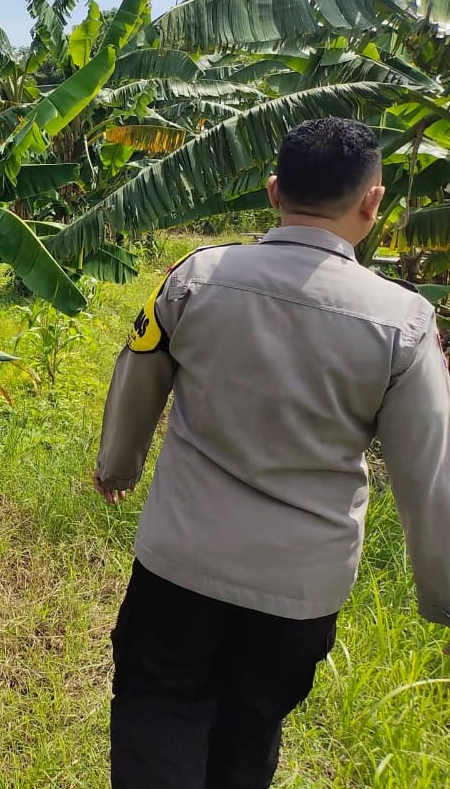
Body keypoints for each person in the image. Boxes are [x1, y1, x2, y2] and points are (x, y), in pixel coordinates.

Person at [94, 117, 450, 789]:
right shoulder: (403, 323)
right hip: (299, 593)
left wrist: (117, 465)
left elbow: (138, 371)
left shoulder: (197, 277)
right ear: (372, 202)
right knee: (250, 730)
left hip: (181, 565)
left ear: (273, 191)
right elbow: (430, 474)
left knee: (158, 713)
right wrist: (444, 596)